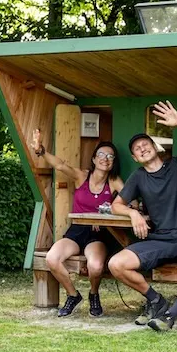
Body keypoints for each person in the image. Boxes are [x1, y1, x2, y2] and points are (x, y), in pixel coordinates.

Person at [108, 101, 177, 332]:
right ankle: (156, 301)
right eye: (137, 148)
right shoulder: (137, 177)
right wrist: (133, 213)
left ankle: (169, 315)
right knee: (116, 264)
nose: (142, 148)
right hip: (158, 240)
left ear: (156, 148)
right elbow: (116, 205)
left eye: (146, 144)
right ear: (135, 158)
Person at [31, 129, 123, 317]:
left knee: (96, 266)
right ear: (94, 159)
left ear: (113, 162)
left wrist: (106, 215)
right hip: (77, 231)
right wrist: (41, 150)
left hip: (98, 233)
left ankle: (94, 294)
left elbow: (131, 200)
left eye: (110, 156)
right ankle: (73, 295)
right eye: (101, 155)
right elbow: (60, 165)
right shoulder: (82, 176)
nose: (105, 159)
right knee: (51, 258)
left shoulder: (114, 181)